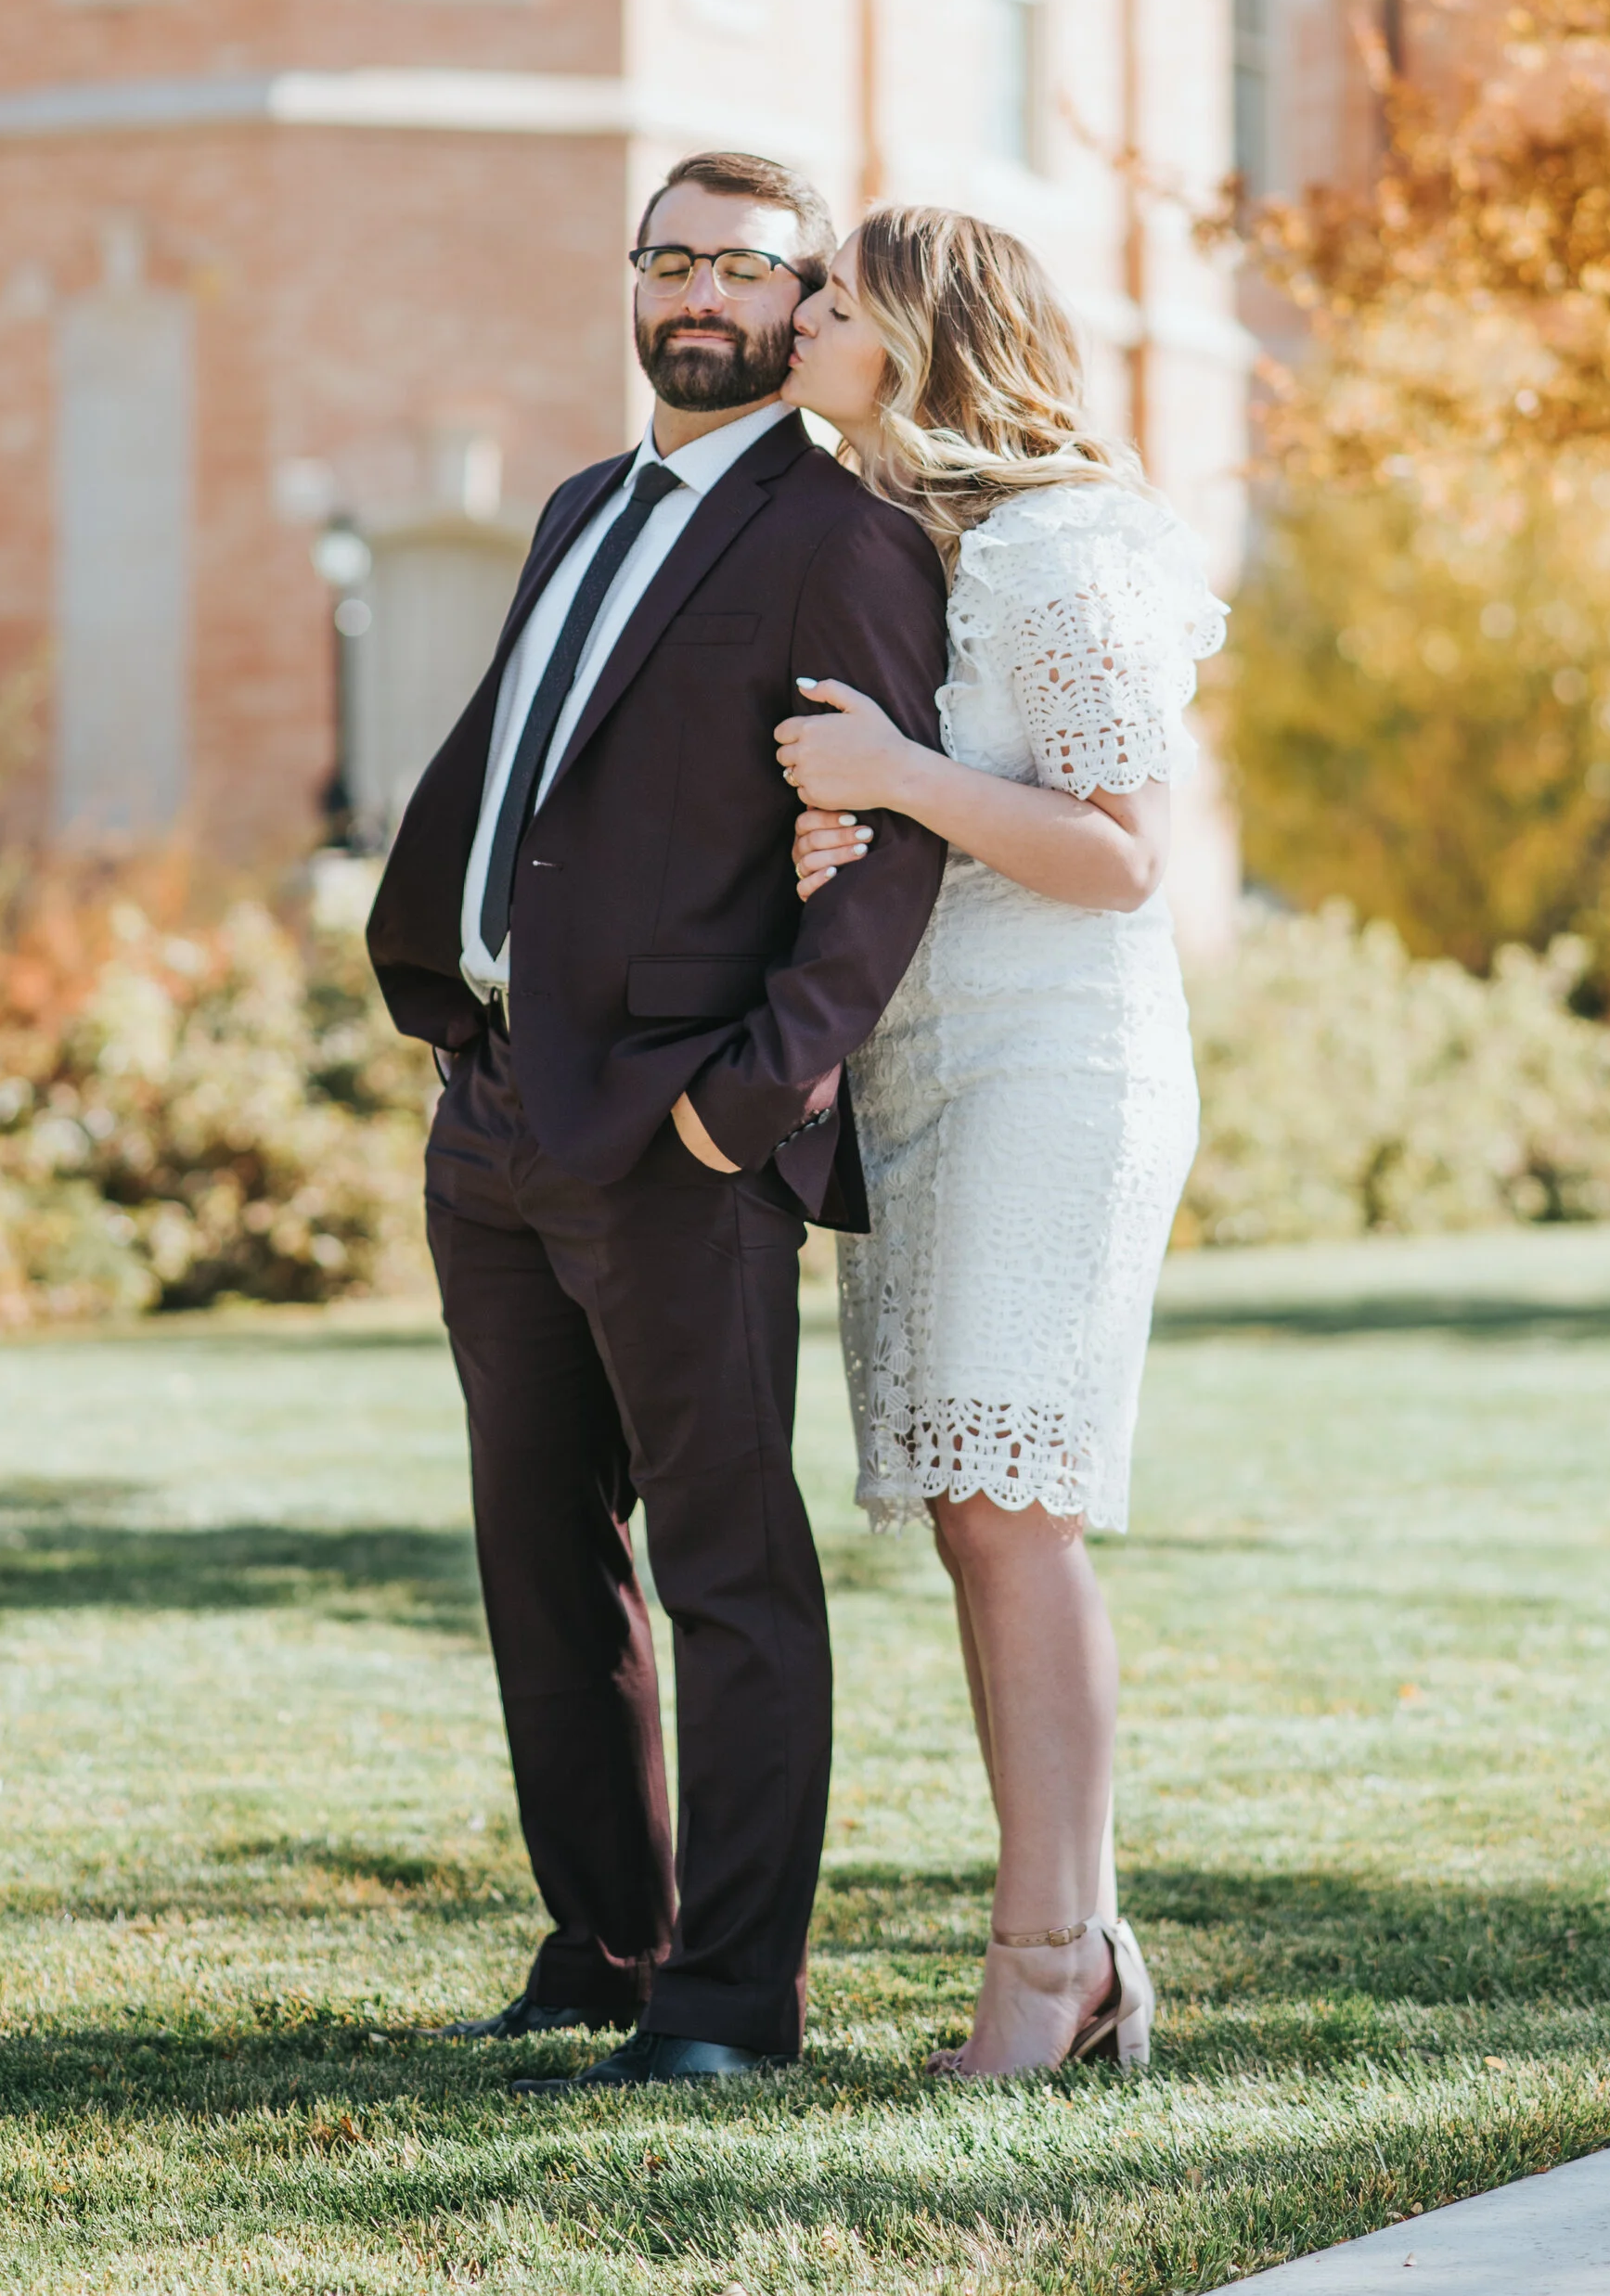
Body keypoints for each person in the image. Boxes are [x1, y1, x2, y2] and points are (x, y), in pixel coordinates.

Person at [366, 152, 949, 2090]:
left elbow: (880, 859)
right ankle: (602, 1949)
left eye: (747, 269)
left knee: (727, 1564)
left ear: (805, 302)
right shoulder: (577, 505)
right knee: (541, 1552)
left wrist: (748, 1103)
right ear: (632, 280)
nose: (702, 294)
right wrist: (451, 1016)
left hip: (680, 1132)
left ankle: (726, 2004)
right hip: (497, 1107)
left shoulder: (840, 535)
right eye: (671, 257)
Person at [774, 204, 1226, 2078]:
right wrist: (855, 832)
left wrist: (898, 778)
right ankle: (1073, 1945)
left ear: (918, 333)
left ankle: (1049, 1969)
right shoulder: (921, 546)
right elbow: (968, 821)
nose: (798, 315)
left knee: (1012, 1511)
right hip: (930, 1069)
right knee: (977, 1520)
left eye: (829, 295)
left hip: (1058, 1068)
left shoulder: (1055, 548)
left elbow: (1122, 854)